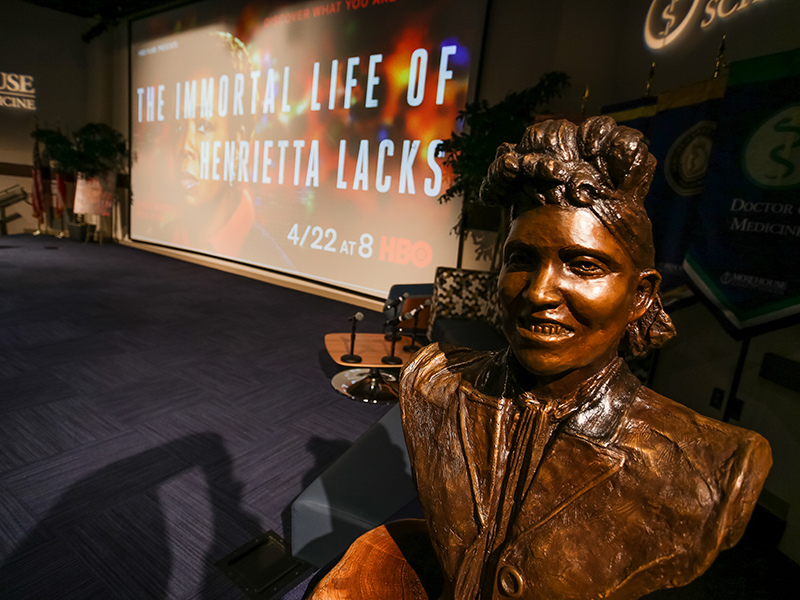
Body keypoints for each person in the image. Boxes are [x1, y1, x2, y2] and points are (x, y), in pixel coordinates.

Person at [310, 117, 771, 600]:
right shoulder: (434, 382)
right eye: (522, 259)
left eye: (584, 265)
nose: (538, 292)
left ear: (640, 295)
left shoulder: (707, 467)